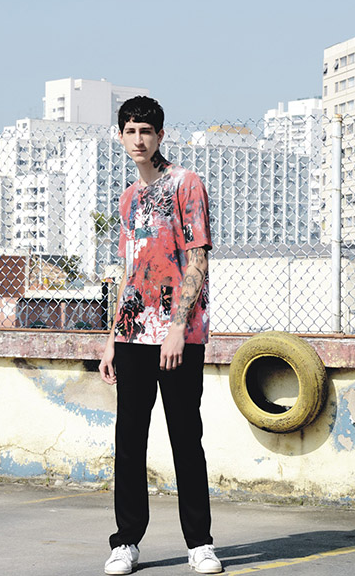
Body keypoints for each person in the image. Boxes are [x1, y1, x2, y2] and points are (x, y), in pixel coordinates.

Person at [98, 96, 222, 575]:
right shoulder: (128, 198)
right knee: (129, 440)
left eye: (146, 131)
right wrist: (112, 338)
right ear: (121, 136)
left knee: (185, 437)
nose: (138, 140)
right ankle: (126, 541)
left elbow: (198, 261)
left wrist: (176, 328)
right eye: (130, 131)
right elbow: (129, 272)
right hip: (132, 335)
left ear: (160, 136)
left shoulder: (186, 184)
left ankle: (200, 543)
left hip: (177, 336)